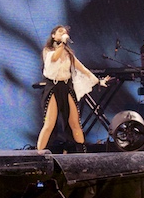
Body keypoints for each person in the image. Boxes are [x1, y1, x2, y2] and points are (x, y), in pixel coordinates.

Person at [35, 25, 109, 153]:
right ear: (53, 35)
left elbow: (82, 68)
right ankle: (39, 153)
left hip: (66, 87)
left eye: (65, 32)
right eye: (60, 31)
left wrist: (98, 81)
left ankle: (81, 152)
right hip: (53, 87)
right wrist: (62, 44)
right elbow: (54, 58)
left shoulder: (68, 54)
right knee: (49, 124)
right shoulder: (48, 50)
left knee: (75, 123)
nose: (64, 33)